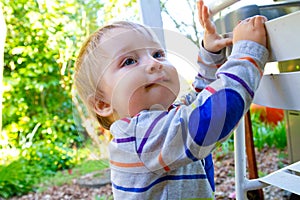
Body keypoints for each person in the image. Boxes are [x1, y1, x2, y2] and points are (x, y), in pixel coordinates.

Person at [74, 0, 269, 199]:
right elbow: (211, 118)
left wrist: (210, 54)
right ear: (103, 104)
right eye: (129, 61)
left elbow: (198, 100)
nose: (154, 63)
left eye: (158, 54)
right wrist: (247, 54)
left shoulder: (162, 121)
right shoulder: (141, 136)